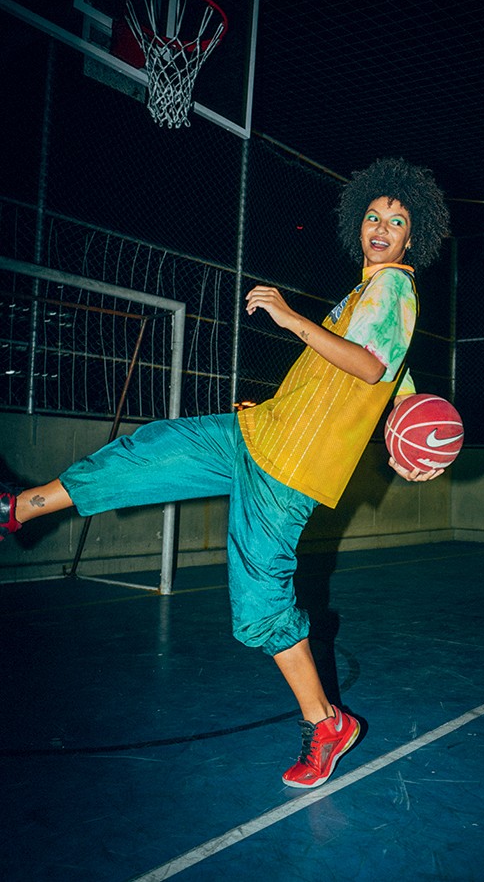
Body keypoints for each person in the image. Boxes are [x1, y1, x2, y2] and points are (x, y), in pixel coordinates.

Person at [0, 157, 450, 788]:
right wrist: (414, 422)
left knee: (259, 609)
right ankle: (18, 509)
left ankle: (327, 723)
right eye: (374, 216)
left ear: (413, 237)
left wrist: (293, 319)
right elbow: (395, 373)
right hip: (256, 432)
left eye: (396, 221)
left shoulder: (395, 288)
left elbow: (371, 366)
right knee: (150, 451)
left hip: (288, 470)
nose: (381, 226)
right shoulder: (367, 292)